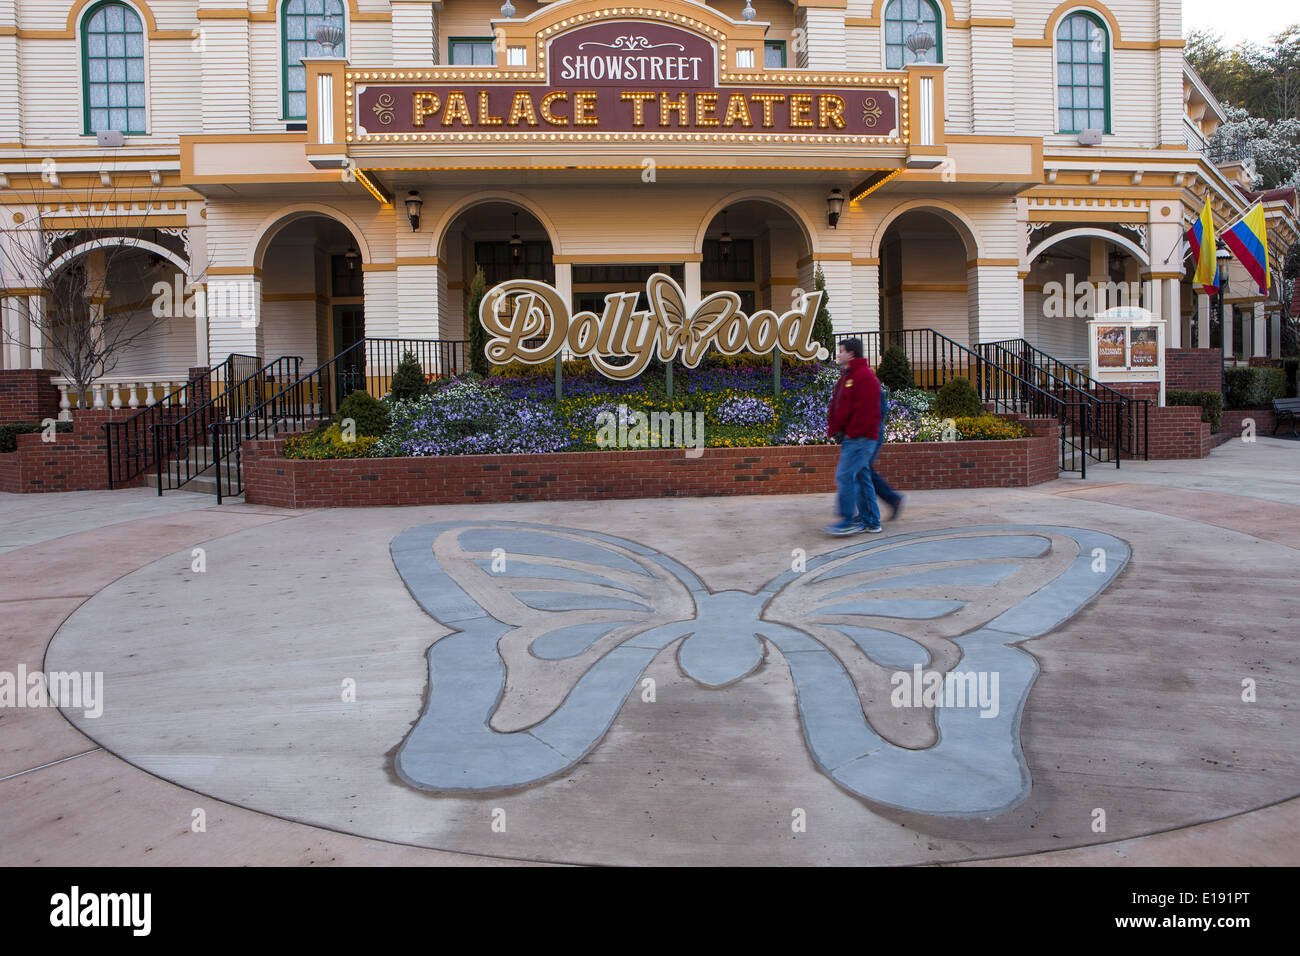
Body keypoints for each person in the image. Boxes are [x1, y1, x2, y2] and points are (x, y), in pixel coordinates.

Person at [824, 338, 883, 535]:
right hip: (855, 437)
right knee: (861, 476)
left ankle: (848, 520)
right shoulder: (850, 376)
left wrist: (850, 433)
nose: (838, 355)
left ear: (851, 353)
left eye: (840, 351)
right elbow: (842, 406)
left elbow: (866, 413)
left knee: (845, 475)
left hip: (860, 438)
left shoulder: (864, 377)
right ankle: (871, 521)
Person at [869, 379, 906, 521]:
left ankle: (892, 500)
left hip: (871, 437)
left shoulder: (871, 385)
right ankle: (893, 500)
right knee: (864, 471)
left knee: (863, 470)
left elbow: (878, 414)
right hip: (870, 436)